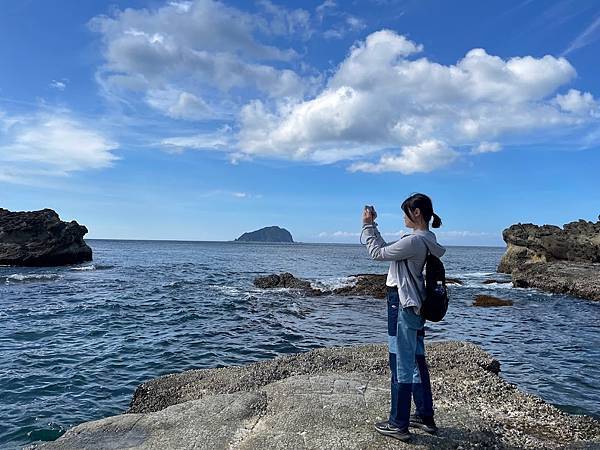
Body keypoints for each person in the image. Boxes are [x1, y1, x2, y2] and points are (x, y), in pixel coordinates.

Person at [361, 193, 446, 442]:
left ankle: (398, 423)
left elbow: (377, 254)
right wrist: (373, 226)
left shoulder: (414, 241)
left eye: (405, 212)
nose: (403, 217)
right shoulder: (426, 240)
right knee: (416, 359)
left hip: (402, 304)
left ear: (416, 213)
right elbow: (387, 250)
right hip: (416, 305)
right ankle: (424, 415)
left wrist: (366, 225)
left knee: (400, 361)